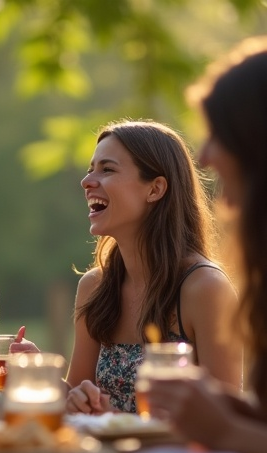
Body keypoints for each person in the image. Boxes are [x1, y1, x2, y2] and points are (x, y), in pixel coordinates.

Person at [65, 119, 242, 415]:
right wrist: (46, 380)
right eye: (90, 170)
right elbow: (77, 392)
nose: (87, 182)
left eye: (107, 169)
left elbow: (224, 422)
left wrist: (120, 423)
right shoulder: (94, 287)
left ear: (156, 189)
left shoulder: (205, 289)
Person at [148, 37, 267, 453]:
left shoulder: (204, 283)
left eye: (217, 136)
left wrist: (224, 429)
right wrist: (225, 407)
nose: (204, 156)